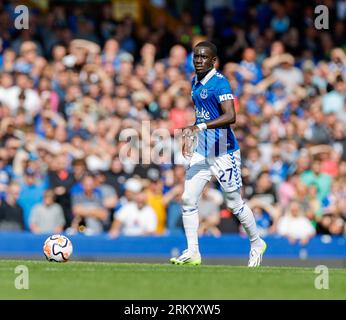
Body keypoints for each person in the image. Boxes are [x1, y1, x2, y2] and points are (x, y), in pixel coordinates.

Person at [170, 41, 266, 267]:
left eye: (204, 57)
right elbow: (203, 116)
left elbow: (231, 116)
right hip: (203, 150)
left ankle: (256, 242)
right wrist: (193, 133)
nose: (198, 60)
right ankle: (193, 252)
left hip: (224, 152)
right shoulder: (195, 81)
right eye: (196, 57)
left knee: (234, 203)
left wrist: (199, 128)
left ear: (214, 61)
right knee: (187, 199)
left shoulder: (220, 83)